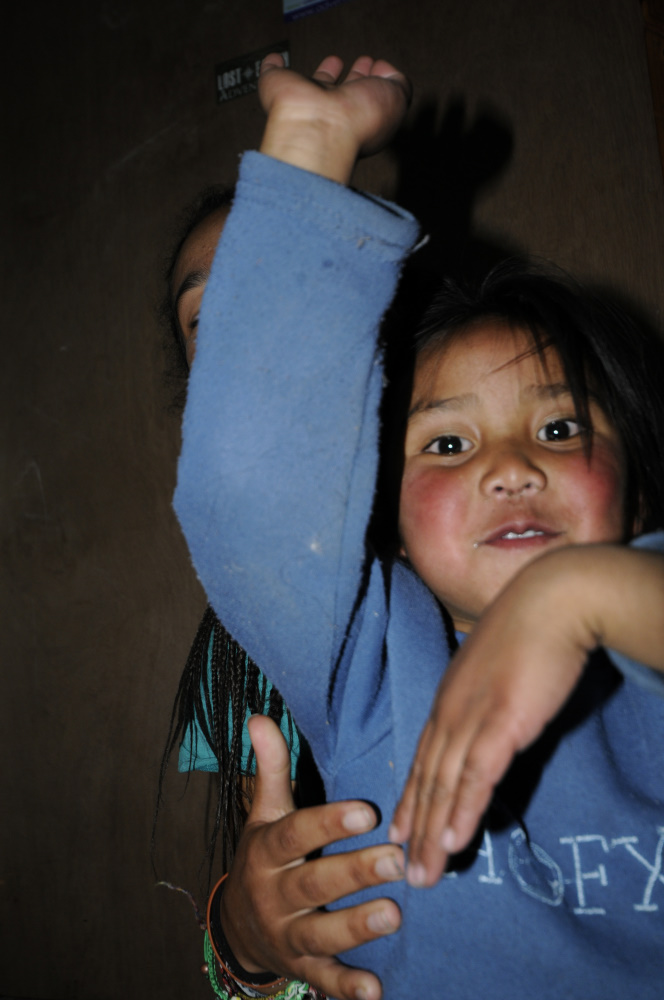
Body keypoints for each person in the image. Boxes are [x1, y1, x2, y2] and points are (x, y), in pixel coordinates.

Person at [174, 52, 664, 999]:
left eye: (559, 429)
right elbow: (259, 486)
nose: (511, 467)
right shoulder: (365, 660)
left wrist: (582, 595)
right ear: (382, 518)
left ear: (638, 494)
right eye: (446, 445)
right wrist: (311, 150)